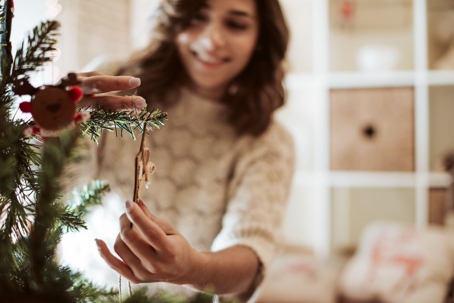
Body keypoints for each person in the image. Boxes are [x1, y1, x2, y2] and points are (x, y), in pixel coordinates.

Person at [64, 0, 295, 301]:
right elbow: (46, 189)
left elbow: (251, 256)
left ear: (262, 40)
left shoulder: (267, 139)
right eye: (197, 18)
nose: (212, 40)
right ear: (174, 20)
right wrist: (50, 126)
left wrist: (190, 268)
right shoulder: (112, 84)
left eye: (236, 24)